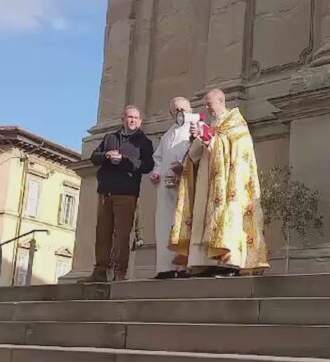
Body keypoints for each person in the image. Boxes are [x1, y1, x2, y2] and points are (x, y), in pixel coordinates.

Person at [171, 88, 270, 277]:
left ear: (221, 101)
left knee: (227, 217)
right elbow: (198, 153)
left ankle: (230, 263)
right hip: (207, 181)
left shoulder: (236, 123)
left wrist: (211, 139)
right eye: (206, 104)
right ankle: (204, 262)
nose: (207, 108)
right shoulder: (212, 123)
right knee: (203, 218)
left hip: (228, 183)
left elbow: (239, 149)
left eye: (210, 104)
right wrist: (197, 138)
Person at [81, 105, 154, 283]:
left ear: (140, 121)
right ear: (123, 119)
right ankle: (99, 271)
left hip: (127, 193)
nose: (133, 120)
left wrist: (125, 161)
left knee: (122, 235)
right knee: (102, 234)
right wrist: (106, 155)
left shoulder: (144, 142)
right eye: (130, 117)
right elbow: (93, 157)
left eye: (136, 118)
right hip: (106, 192)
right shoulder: (110, 138)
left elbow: (148, 165)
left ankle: (120, 272)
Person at [149, 97, 194, 279]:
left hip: (186, 184)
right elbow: (158, 158)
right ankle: (165, 267)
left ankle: (184, 267)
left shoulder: (194, 129)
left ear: (190, 109)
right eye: (175, 111)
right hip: (166, 187)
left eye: (182, 109)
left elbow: (198, 153)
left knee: (184, 223)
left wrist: (184, 168)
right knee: (165, 224)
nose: (179, 113)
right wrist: (156, 172)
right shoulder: (168, 134)